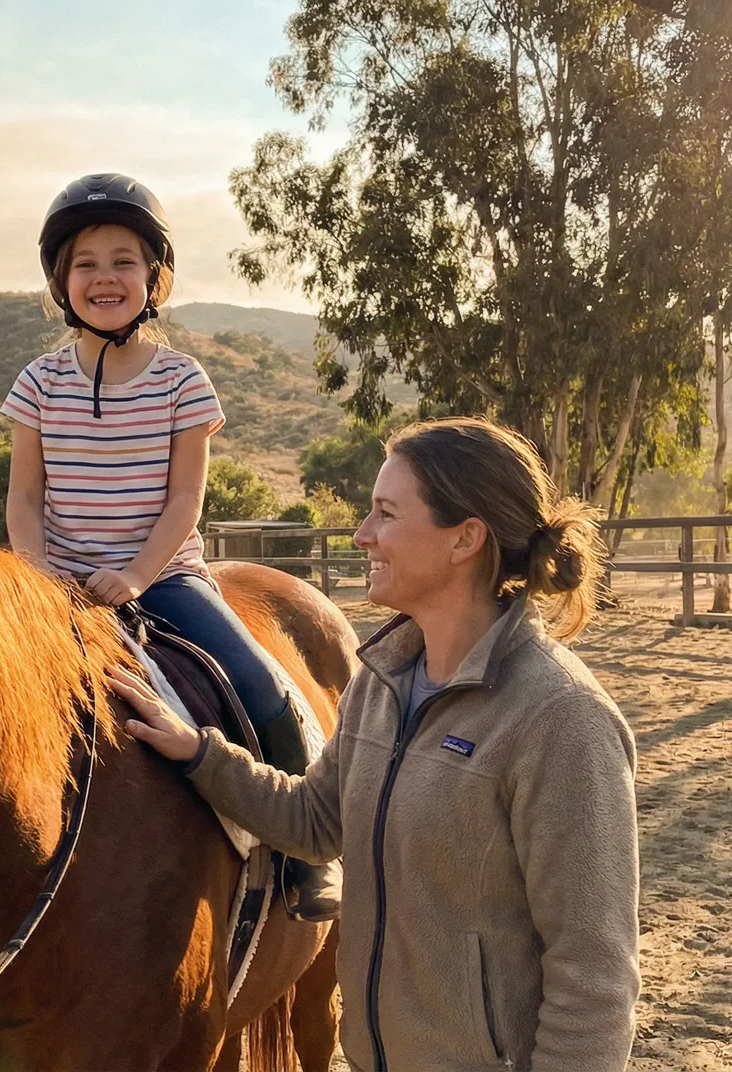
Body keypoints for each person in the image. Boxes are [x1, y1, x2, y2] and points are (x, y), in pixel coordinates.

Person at [112, 417, 641, 1070]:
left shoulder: (563, 720)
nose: (363, 535)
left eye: (386, 514)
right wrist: (199, 753)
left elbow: (593, 978)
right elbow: (315, 821)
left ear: (465, 539)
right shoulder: (383, 681)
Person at [1, 172, 340, 920]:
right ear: (61, 282)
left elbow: (186, 500)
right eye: (84, 263)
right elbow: (25, 498)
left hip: (161, 576)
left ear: (154, 278)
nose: (104, 278)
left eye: (123, 260)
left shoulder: (182, 381)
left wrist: (135, 573)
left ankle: (308, 850)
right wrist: (34, 576)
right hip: (53, 579)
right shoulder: (37, 384)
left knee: (261, 687)